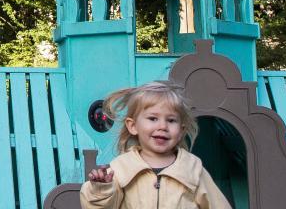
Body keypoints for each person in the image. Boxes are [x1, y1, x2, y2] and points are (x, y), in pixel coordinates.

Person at [80, 81, 231, 209]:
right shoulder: (121, 168)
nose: (162, 126)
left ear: (181, 131)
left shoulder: (192, 169)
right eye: (153, 119)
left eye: (171, 120)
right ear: (132, 126)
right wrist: (101, 188)